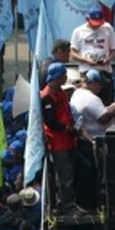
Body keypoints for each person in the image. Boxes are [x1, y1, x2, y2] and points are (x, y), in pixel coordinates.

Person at [41, 62, 79, 214]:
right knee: (65, 175)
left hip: (68, 140)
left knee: (71, 173)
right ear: (57, 77)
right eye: (64, 75)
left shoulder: (60, 92)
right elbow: (50, 122)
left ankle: (70, 203)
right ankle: (68, 207)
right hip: (58, 142)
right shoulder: (47, 96)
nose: (66, 78)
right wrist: (65, 128)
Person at [70, 7, 115, 81]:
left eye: (99, 23)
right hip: (86, 70)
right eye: (94, 23)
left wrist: (107, 60)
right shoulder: (78, 31)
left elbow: (114, 49)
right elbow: (73, 54)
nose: (97, 26)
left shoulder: (108, 28)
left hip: (105, 71)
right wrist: (86, 60)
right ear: (87, 19)